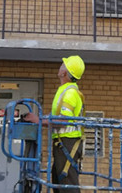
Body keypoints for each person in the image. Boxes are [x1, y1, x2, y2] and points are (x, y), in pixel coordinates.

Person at [25, 55, 85, 193]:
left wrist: (38, 120)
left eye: (63, 64)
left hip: (67, 143)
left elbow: (63, 120)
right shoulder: (65, 90)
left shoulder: (69, 93)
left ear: (65, 72)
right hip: (63, 143)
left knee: (67, 185)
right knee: (59, 183)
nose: (60, 66)